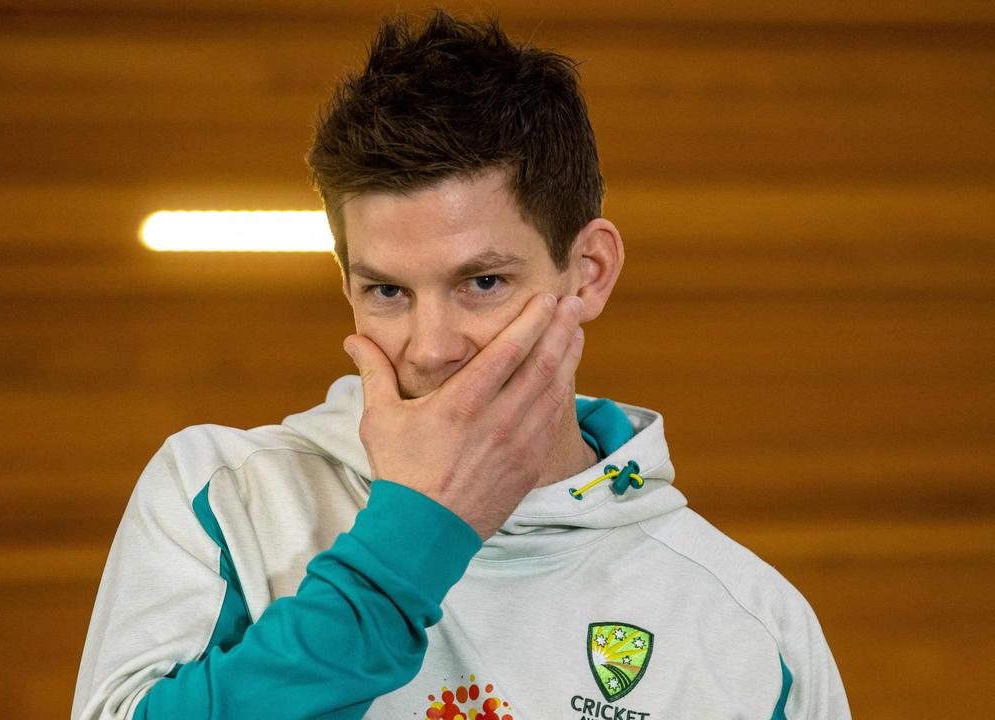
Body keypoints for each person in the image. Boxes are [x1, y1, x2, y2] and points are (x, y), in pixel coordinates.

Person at [72, 10, 850, 720]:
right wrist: (402, 552)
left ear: (588, 273)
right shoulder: (226, 491)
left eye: (483, 283)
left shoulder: (750, 622)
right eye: (387, 290)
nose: (431, 345)